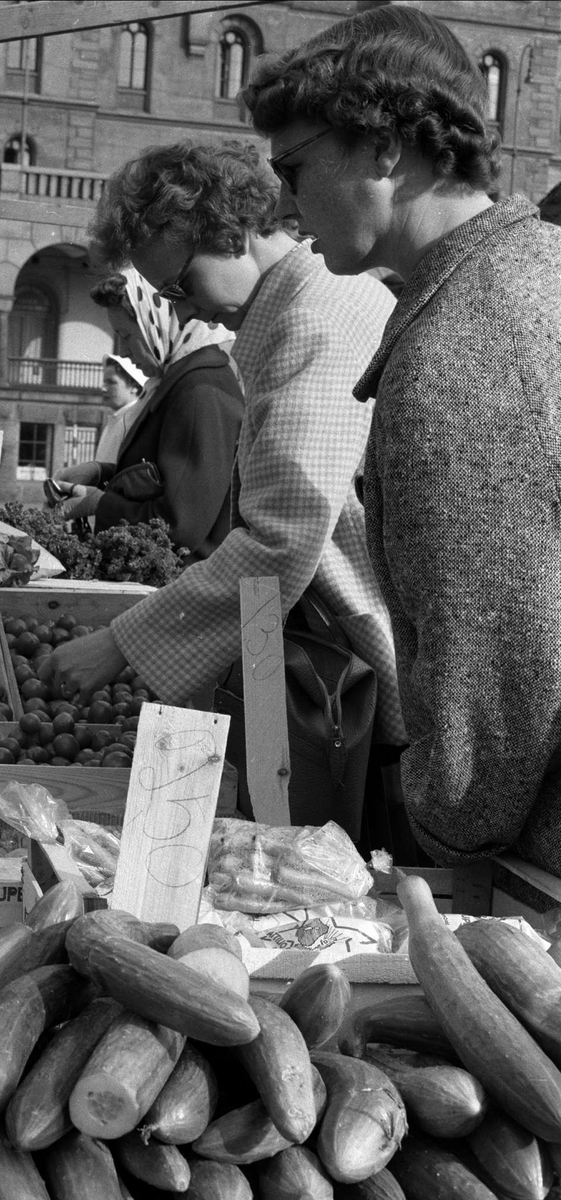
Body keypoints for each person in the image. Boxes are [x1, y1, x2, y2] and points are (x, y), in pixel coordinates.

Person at [243, 6, 561, 876]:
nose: (281, 203)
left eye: (294, 167)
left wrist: (446, 834)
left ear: (385, 150)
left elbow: (500, 664)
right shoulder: (529, 274)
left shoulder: (463, 341)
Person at [40, 141, 406, 835]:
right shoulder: (303, 309)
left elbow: (282, 536)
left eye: (179, 286)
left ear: (226, 232)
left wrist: (120, 642)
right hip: (339, 662)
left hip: (363, 678)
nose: (181, 307)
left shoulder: (314, 324)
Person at [54, 274, 244, 557]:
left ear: (159, 323)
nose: (125, 352)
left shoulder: (199, 391)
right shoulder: (179, 382)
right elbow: (162, 474)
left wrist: (100, 504)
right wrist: (101, 474)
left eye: (128, 336)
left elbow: (181, 526)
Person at [93, 353, 147, 465]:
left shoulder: (135, 422)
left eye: (111, 382)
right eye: (104, 382)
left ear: (134, 387)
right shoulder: (114, 421)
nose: (103, 388)